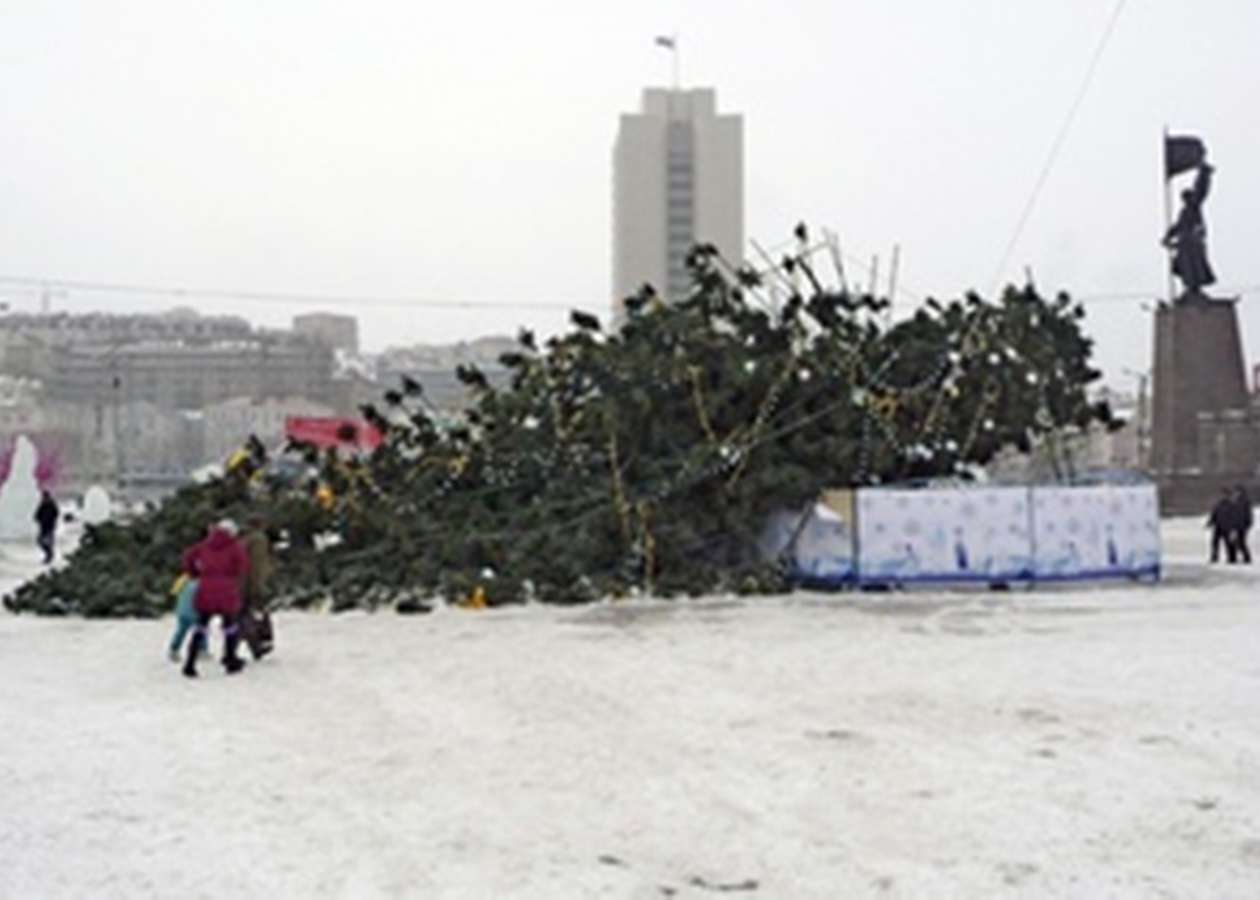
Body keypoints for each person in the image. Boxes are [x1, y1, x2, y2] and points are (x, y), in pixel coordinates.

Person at [181, 518, 250, 678]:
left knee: (201, 626)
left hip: (206, 587)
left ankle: (190, 663)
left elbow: (188, 556)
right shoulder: (235, 547)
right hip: (226, 588)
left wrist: (195, 573)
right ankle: (230, 660)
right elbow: (243, 566)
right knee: (230, 626)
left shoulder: (205, 544)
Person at [238, 515, 276, 660]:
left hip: (238, 584)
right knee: (256, 614)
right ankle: (259, 644)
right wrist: (260, 586)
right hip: (251, 584)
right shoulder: (258, 540)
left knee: (243, 615)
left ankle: (252, 644)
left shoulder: (241, 540)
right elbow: (257, 566)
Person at [1207, 486, 1238, 564]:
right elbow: (1214, 514)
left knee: (1229, 543)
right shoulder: (1218, 504)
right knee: (1214, 543)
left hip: (1227, 527)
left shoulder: (1232, 505)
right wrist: (1210, 522)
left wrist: (1234, 527)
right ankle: (1215, 556)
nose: (1222, 496)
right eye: (1221, 494)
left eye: (1224, 494)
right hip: (1218, 526)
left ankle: (1232, 558)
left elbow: (1234, 516)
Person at [34, 490, 59, 564]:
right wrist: (38, 519)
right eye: (43, 497)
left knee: (49, 541)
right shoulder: (42, 504)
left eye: (45, 497)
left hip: (50, 526)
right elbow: (37, 514)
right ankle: (49, 554)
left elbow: (56, 513)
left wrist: (51, 520)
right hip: (43, 526)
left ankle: (49, 556)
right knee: (40, 541)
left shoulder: (52, 504)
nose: (44, 499)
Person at [1231, 485, 1253, 564]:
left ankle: (1247, 557)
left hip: (1242, 525)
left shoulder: (1244, 501)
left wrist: (1248, 523)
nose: (1236, 493)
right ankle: (1236, 557)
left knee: (1241, 542)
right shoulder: (1234, 501)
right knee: (1236, 542)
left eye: (1237, 492)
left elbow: (1248, 514)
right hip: (1236, 525)